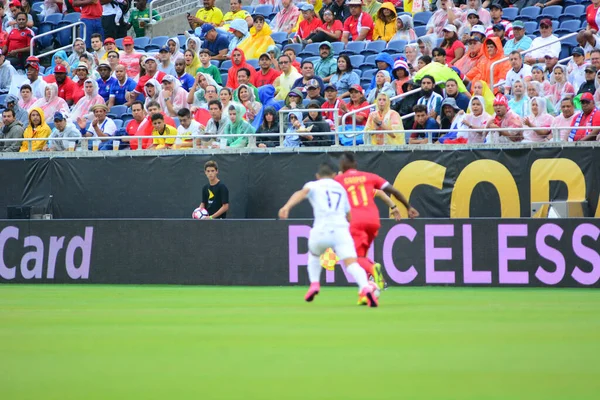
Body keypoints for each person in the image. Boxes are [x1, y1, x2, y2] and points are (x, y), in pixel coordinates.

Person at [278, 162, 379, 306]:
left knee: (314, 255)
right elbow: (349, 215)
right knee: (352, 264)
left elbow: (301, 193)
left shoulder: (313, 185)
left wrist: (286, 207)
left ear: (318, 176)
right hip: (340, 230)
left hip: (321, 229)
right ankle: (366, 288)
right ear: (334, 175)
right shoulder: (341, 188)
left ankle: (314, 284)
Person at [334, 153, 418, 301]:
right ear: (355, 164)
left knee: (353, 258)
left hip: (355, 220)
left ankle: (374, 270)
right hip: (373, 220)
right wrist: (405, 206)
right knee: (362, 256)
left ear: (342, 167)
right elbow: (390, 191)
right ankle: (366, 291)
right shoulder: (368, 177)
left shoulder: (340, 181)